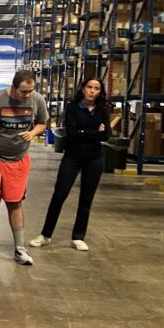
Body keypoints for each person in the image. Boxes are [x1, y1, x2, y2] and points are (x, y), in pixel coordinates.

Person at [0, 70, 48, 266]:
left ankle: (19, 248)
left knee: (15, 203)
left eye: (30, 91)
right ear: (13, 87)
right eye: (23, 92)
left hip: (19, 160)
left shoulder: (37, 100)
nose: (27, 96)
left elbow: (42, 123)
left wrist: (32, 132)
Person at [31, 78, 111, 252]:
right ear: (82, 89)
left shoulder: (103, 110)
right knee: (59, 195)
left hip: (94, 160)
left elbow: (106, 136)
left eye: (96, 88)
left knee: (86, 199)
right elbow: (73, 133)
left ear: (100, 91)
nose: (92, 91)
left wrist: (85, 132)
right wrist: (94, 132)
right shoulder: (73, 108)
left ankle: (78, 237)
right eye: (89, 87)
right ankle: (45, 235)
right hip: (72, 157)